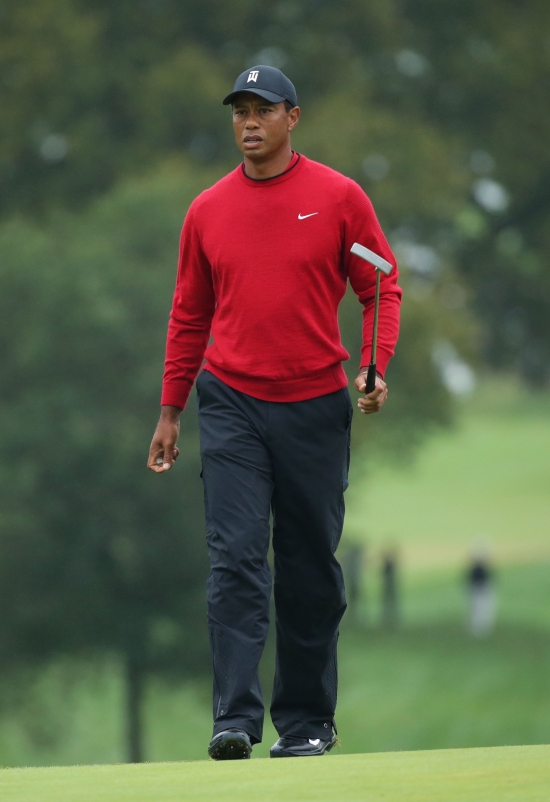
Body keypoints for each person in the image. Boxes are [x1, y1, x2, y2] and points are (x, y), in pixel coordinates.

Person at [147, 65, 402, 760]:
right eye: (240, 111)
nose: (249, 122)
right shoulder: (206, 211)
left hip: (315, 403)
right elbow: (188, 313)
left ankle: (307, 724)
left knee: (308, 565)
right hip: (230, 401)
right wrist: (171, 409)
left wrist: (376, 366)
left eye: (263, 109)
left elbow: (380, 285)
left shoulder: (338, 198)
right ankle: (233, 718)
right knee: (233, 560)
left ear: (294, 118)